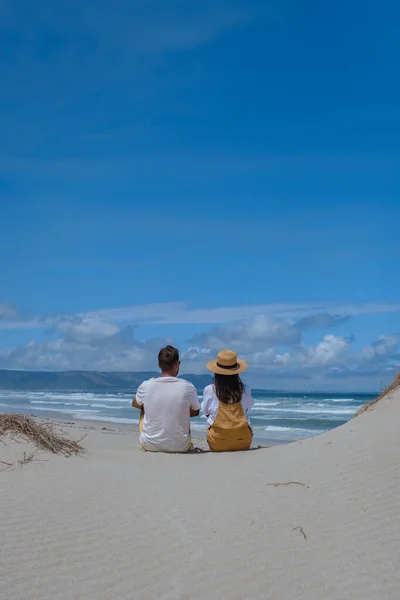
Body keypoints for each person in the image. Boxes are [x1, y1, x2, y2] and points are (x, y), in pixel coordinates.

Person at [131, 345, 200, 452]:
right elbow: (195, 411)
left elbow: (135, 403)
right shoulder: (188, 387)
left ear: (159, 365)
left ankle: (151, 438)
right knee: (184, 411)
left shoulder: (146, 385)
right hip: (181, 446)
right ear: (177, 364)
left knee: (143, 408)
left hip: (150, 445)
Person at [201, 349, 254, 452]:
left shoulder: (209, 389)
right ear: (237, 372)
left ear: (216, 371)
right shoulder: (245, 389)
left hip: (218, 442)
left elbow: (205, 411)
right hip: (242, 441)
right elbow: (248, 408)